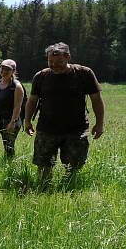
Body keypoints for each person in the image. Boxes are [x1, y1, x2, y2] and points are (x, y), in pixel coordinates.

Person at [24, 42, 105, 188]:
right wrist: (27, 121)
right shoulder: (41, 76)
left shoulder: (84, 74)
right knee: (44, 165)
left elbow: (96, 100)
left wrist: (99, 123)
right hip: (46, 129)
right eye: (51, 62)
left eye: (58, 62)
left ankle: (68, 190)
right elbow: (32, 101)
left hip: (76, 129)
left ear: (68, 57)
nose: (54, 65)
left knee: (73, 165)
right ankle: (44, 190)